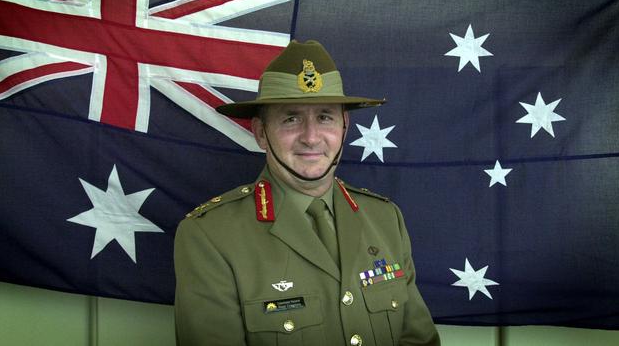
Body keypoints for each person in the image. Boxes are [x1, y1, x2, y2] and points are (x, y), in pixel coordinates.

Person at [174, 40, 440, 346]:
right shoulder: (210, 235)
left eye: (325, 117)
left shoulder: (385, 219)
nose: (311, 137)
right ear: (261, 133)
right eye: (291, 118)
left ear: (344, 125)